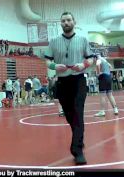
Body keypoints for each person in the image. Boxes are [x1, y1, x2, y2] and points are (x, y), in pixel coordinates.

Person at [44, 11, 94, 165]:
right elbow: (47, 61)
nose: (66, 22)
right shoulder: (53, 41)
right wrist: (53, 65)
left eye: (68, 20)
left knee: (78, 114)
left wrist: (83, 64)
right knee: (69, 116)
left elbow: (91, 58)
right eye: (63, 20)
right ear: (61, 23)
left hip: (79, 80)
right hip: (62, 82)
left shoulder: (83, 39)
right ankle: (78, 137)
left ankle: (77, 150)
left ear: (74, 22)